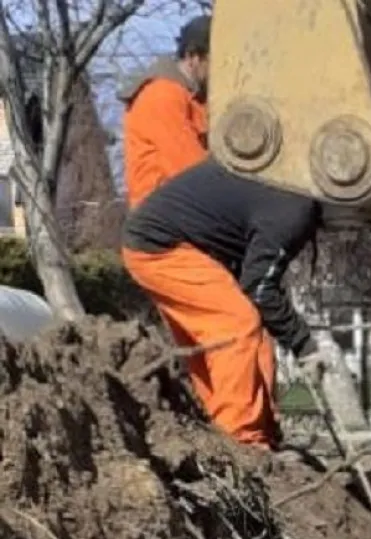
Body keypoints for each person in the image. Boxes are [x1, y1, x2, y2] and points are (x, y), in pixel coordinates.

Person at [120, 157, 332, 449]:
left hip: (180, 242)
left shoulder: (289, 185)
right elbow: (259, 287)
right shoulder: (294, 210)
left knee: (244, 336)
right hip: (161, 245)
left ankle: (262, 434)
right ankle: (239, 442)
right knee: (235, 326)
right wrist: (304, 345)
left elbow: (255, 284)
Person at [118, 15, 211, 207]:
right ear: (194, 57)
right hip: (169, 224)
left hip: (189, 216)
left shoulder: (195, 97)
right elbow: (192, 172)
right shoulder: (163, 96)